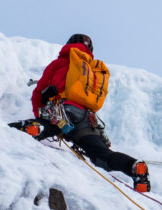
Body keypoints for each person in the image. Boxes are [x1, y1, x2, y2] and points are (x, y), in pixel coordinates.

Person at [30, 34, 150, 192]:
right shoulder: (93, 69)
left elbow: (38, 94)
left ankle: (35, 127)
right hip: (87, 118)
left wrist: (39, 111)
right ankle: (133, 167)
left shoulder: (59, 63)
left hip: (61, 110)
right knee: (102, 155)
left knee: (45, 125)